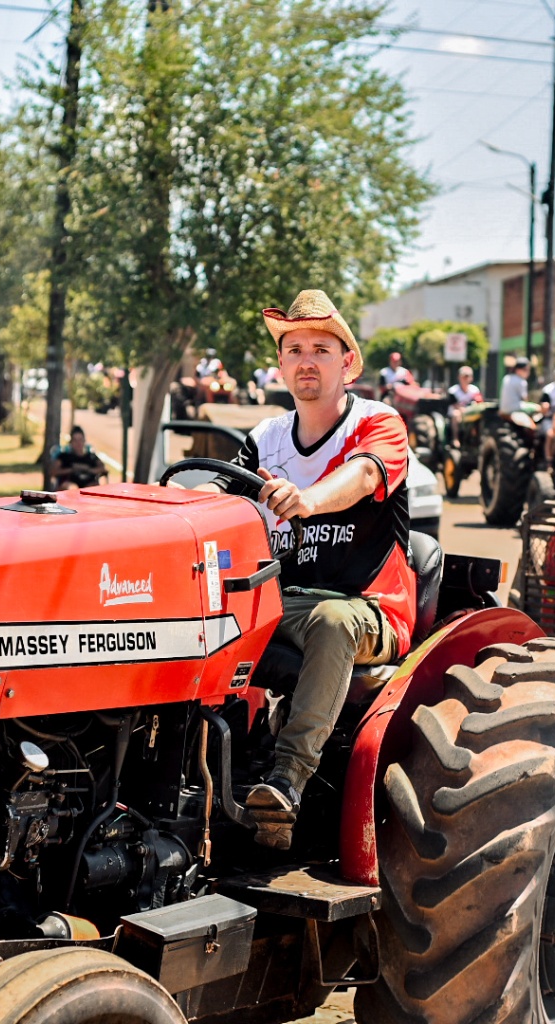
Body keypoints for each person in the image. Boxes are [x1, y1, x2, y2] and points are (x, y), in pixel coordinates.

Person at [209, 289, 415, 849]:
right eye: (294, 348)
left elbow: (365, 476)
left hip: (367, 606)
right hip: (284, 597)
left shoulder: (379, 423)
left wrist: (309, 499)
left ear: (346, 363)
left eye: (321, 349)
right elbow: (217, 494)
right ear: (280, 364)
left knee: (331, 621)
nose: (305, 360)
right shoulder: (265, 438)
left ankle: (288, 780)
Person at [51, 425, 106, 490]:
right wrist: (71, 470)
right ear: (71, 442)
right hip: (70, 484)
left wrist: (88, 469)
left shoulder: (91, 456)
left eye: (80, 440)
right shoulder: (64, 456)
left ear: (84, 441)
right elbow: (53, 471)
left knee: (94, 487)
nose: (78, 443)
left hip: (88, 485)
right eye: (75, 440)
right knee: (72, 488)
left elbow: (103, 469)